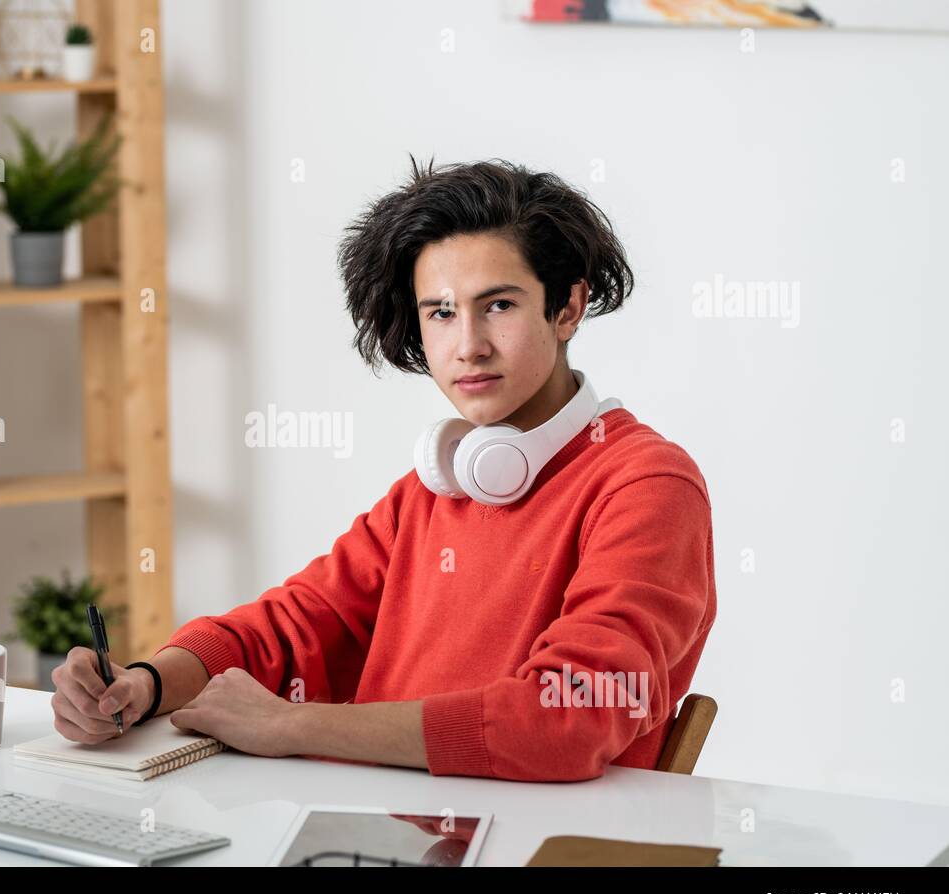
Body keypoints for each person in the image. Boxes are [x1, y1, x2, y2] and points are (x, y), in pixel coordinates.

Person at [50, 158, 717, 782]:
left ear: (567, 308)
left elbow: (572, 714)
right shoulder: (435, 489)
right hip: (385, 826)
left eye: (500, 305)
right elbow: (290, 628)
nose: (469, 345)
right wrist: (146, 684)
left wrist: (293, 725)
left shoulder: (648, 486)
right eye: (442, 313)